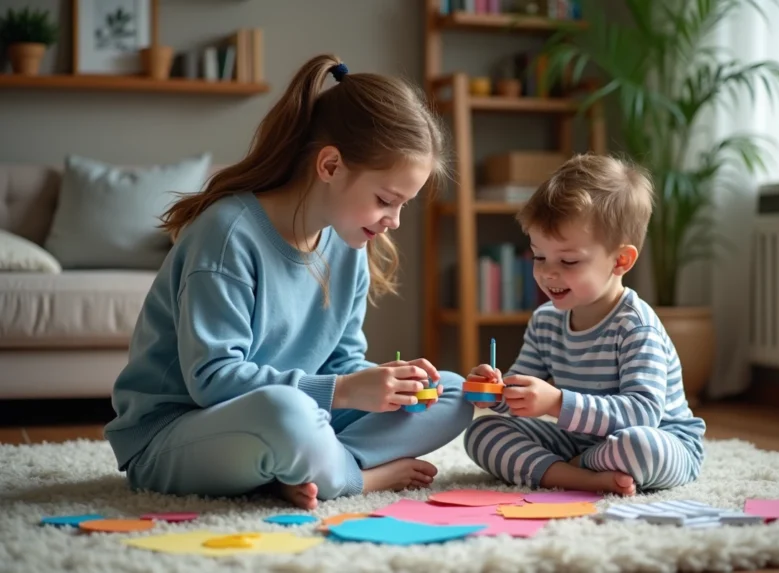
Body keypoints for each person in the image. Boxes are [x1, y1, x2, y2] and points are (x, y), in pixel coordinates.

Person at [103, 54, 474, 509]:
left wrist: (387, 384)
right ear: (331, 166)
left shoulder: (347, 244)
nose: (393, 221)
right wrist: (344, 391)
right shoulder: (227, 234)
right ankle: (356, 477)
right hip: (175, 435)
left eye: (403, 206)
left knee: (450, 393)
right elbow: (212, 379)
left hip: (290, 425)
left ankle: (314, 466)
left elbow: (343, 359)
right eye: (385, 200)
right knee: (286, 413)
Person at [464, 153, 706, 496]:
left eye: (569, 260)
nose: (548, 272)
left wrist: (555, 403)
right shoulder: (545, 321)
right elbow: (520, 397)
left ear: (621, 260)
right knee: (482, 434)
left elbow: (643, 414)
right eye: (539, 256)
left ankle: (565, 470)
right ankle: (581, 477)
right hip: (577, 440)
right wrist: (495, 390)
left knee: (641, 446)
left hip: (660, 441)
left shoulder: (636, 327)